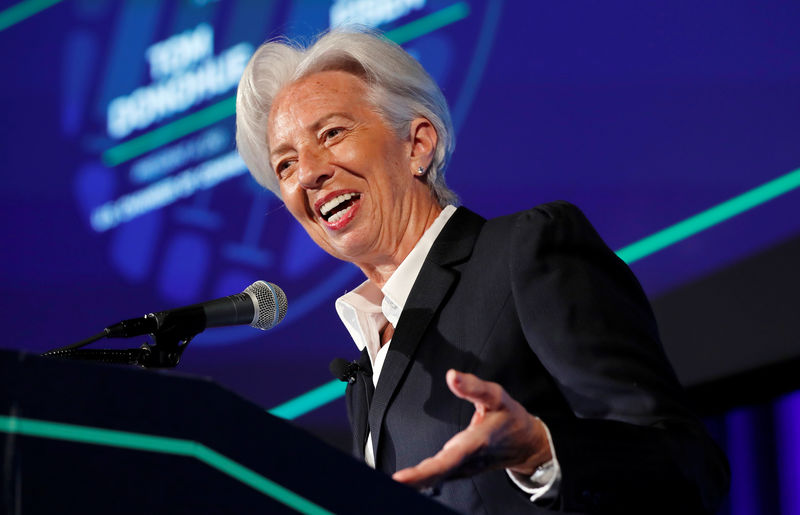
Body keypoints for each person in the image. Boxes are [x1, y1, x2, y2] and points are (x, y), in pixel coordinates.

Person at [235, 28, 729, 514]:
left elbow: (689, 468)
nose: (309, 173)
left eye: (332, 133)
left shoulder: (525, 251)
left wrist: (541, 452)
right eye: (285, 165)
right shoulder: (366, 365)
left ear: (418, 144)